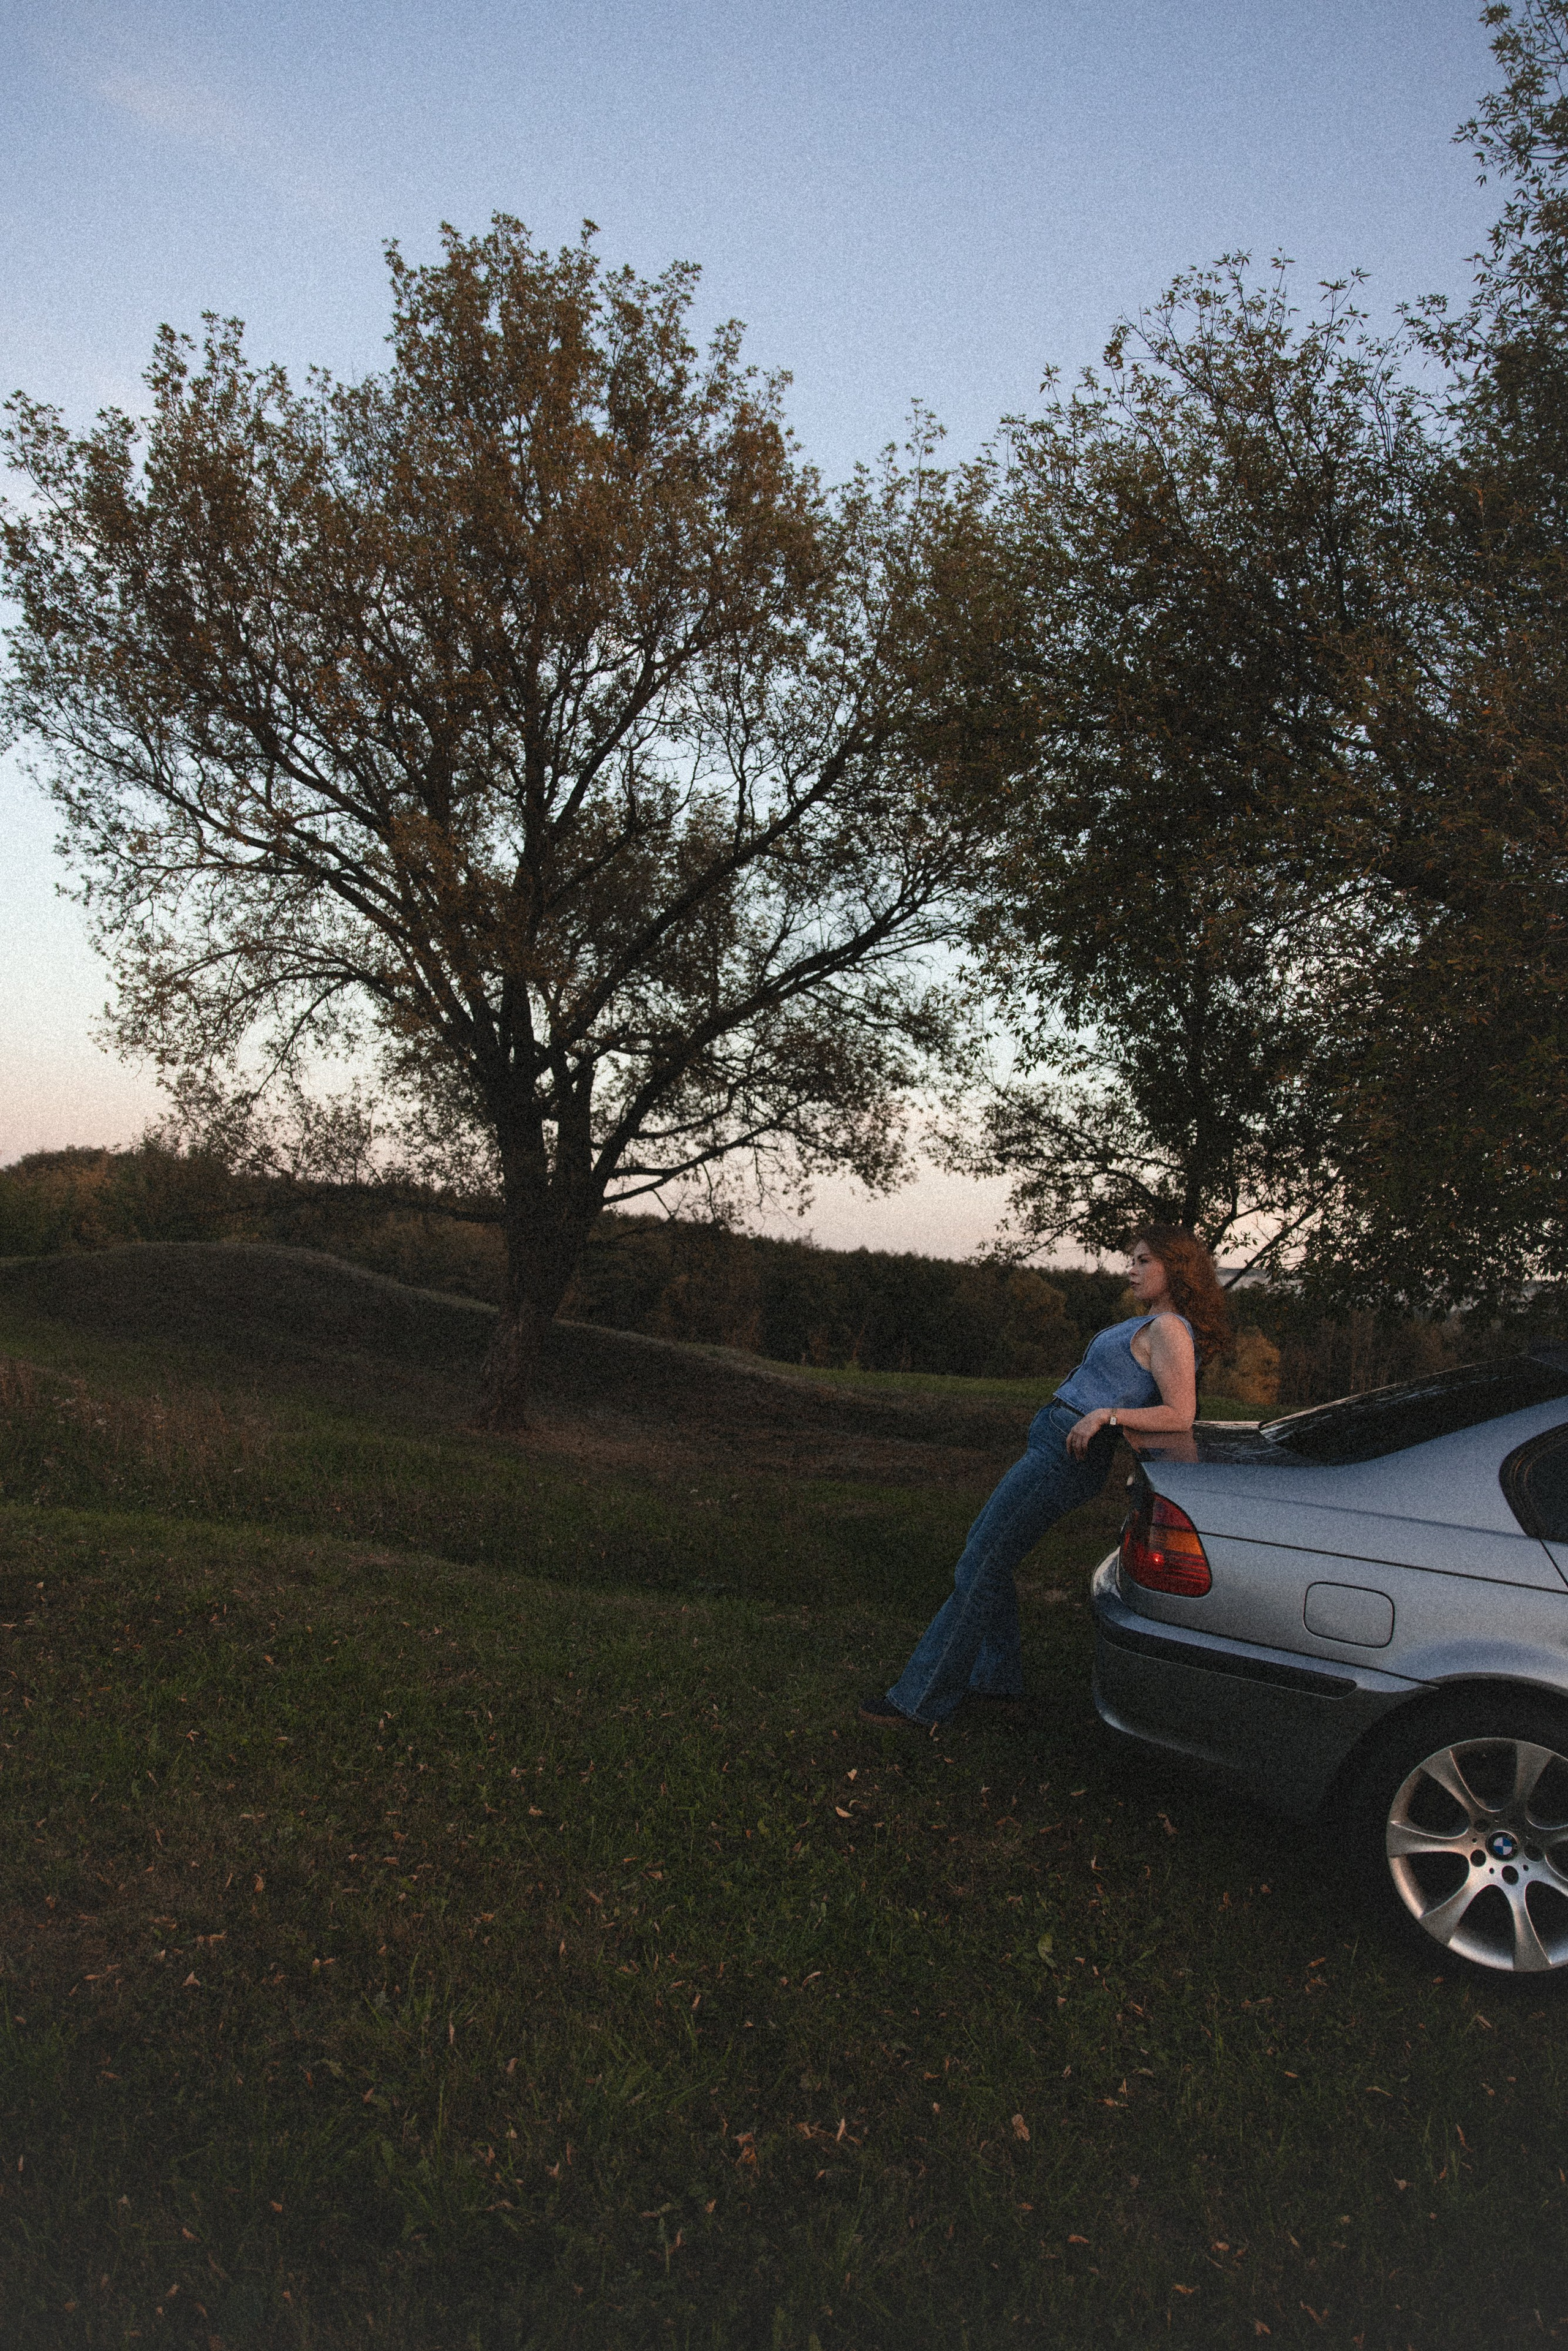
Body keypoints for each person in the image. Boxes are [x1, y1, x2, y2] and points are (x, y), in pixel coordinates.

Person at [859, 1225, 1233, 1731]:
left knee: (979, 1565)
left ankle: (919, 1700)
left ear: (1177, 1268)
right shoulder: (1151, 1322)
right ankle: (998, 1682)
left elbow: (1180, 1413)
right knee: (986, 1557)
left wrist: (1107, 1415)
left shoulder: (1170, 1329)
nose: (1131, 1270)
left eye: (1144, 1261)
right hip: (1053, 1443)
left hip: (1066, 1457)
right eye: (1132, 1260)